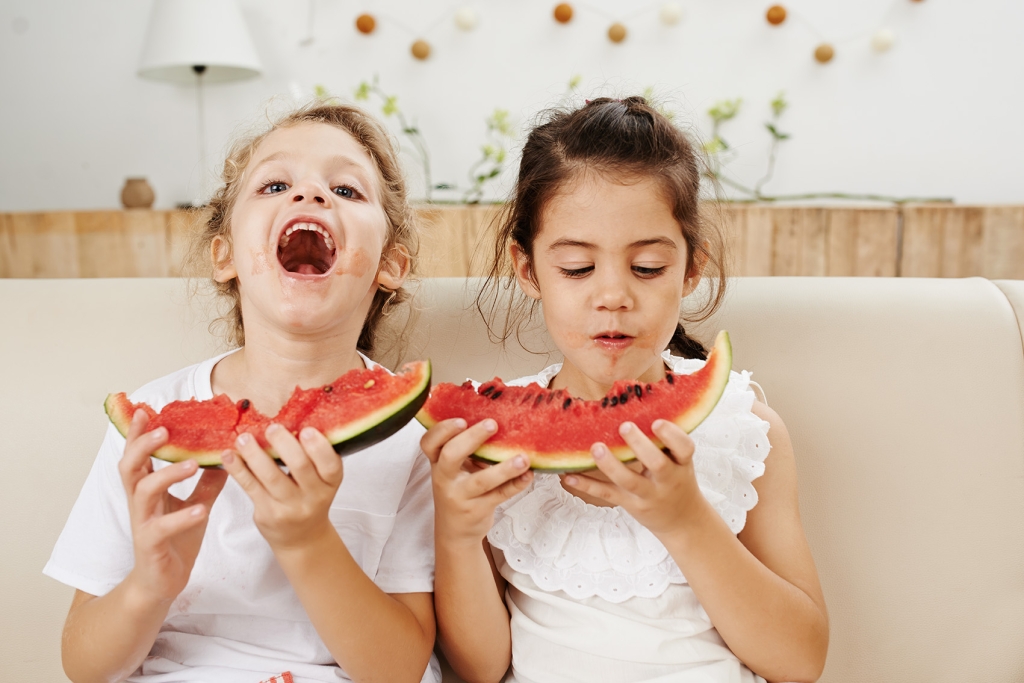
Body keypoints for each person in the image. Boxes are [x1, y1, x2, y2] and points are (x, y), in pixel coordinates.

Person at [422, 96, 829, 683]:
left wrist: (686, 519)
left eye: (646, 268)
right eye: (577, 269)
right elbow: (481, 669)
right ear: (527, 268)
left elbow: (802, 660)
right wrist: (456, 534)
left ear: (692, 267)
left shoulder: (744, 430)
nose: (613, 295)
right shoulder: (485, 445)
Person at [44, 103, 438, 683]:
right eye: (276, 183)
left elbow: (401, 668)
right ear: (224, 254)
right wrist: (151, 585)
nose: (310, 196)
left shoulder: (409, 434)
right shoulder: (151, 423)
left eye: (347, 190)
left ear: (390, 263)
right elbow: (82, 664)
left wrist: (307, 543)